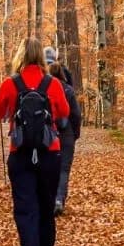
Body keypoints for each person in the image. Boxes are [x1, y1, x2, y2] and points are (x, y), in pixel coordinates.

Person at [0, 37, 71, 246]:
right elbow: (65, 113)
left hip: (20, 152)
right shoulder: (53, 84)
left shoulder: (10, 83)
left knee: (25, 210)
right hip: (50, 152)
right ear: (41, 57)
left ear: (20, 56)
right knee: (46, 206)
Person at [49, 57, 82, 216]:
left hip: (49, 133)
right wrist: (75, 133)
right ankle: (59, 199)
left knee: (49, 166)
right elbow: (75, 114)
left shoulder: (45, 88)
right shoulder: (68, 90)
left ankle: (49, 198)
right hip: (66, 133)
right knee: (63, 169)